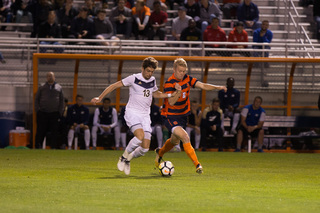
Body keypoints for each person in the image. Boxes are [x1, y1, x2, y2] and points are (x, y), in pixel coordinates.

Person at [91, 57, 180, 175]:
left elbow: (155, 93)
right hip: (132, 112)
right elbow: (114, 86)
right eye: (148, 70)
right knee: (139, 136)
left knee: (144, 148)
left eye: (152, 71)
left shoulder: (152, 80)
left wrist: (169, 95)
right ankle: (123, 157)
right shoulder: (133, 78)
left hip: (145, 115)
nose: (150, 73)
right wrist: (100, 97)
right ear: (142, 68)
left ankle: (128, 160)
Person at [155, 58, 227, 174]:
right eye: (180, 71)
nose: (182, 74)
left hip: (182, 116)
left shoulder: (187, 79)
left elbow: (203, 85)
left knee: (174, 141)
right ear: (174, 69)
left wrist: (217, 87)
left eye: (184, 71)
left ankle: (160, 153)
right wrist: (178, 91)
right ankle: (197, 165)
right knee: (185, 137)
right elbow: (171, 102)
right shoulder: (169, 83)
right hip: (170, 116)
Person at [35, 72, 64, 149]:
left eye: (51, 76)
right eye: (48, 76)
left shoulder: (59, 87)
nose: (49, 77)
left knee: (54, 131)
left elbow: (61, 100)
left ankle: (53, 147)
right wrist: (37, 110)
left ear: (54, 77)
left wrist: (60, 112)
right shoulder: (42, 87)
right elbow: (37, 99)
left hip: (54, 113)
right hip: (43, 113)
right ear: (46, 78)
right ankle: (38, 146)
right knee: (41, 130)